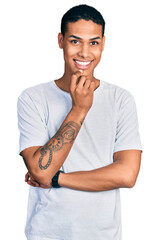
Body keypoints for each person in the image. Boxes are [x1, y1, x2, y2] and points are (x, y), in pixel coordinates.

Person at [17, 4, 142, 240]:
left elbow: (127, 174)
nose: (85, 53)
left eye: (93, 42)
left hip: (103, 235)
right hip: (46, 233)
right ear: (61, 40)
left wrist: (58, 178)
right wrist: (79, 108)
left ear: (103, 43)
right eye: (75, 41)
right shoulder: (33, 98)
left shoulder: (121, 99)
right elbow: (40, 172)